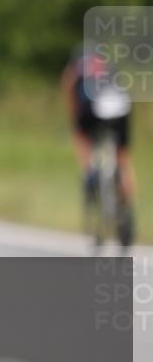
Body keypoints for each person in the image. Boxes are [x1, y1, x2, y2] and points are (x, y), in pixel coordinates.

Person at [60, 44, 136, 246]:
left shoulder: (77, 65)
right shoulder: (109, 65)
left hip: (92, 108)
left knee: (80, 135)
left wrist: (73, 115)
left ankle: (90, 173)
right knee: (122, 158)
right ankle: (128, 209)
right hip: (120, 107)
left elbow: (68, 86)